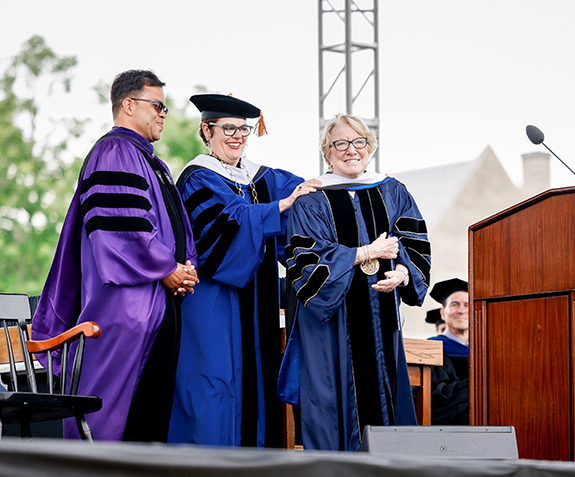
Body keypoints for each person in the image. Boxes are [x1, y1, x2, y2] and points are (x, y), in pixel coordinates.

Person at [31, 69, 198, 442]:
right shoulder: (115, 151)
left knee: (151, 416)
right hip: (128, 306)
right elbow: (120, 228)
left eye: (164, 108)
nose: (163, 115)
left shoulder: (152, 161)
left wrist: (185, 269)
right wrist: (167, 268)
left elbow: (175, 227)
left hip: (158, 300)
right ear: (128, 105)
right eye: (157, 106)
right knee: (117, 415)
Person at [167, 94, 320, 447]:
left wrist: (348, 182)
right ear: (205, 130)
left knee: (255, 385)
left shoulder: (260, 178)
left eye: (244, 129)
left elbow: (309, 195)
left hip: (257, 303)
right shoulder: (196, 178)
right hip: (213, 302)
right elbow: (220, 227)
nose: (237, 135)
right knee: (214, 384)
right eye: (228, 128)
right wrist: (276, 209)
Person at [277, 113, 431, 451]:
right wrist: (365, 252)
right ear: (327, 152)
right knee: (334, 409)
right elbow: (304, 265)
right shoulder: (310, 199)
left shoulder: (392, 191)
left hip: (383, 321)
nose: (351, 150)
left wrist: (403, 275)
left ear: (370, 147)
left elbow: (415, 244)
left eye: (359, 142)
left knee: (386, 402)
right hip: (333, 330)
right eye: (340, 144)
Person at [427, 278, 470, 425]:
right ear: (443, 313)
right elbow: (436, 399)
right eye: (454, 304)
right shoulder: (429, 351)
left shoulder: (486, 352)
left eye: (467, 305)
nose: (461, 310)